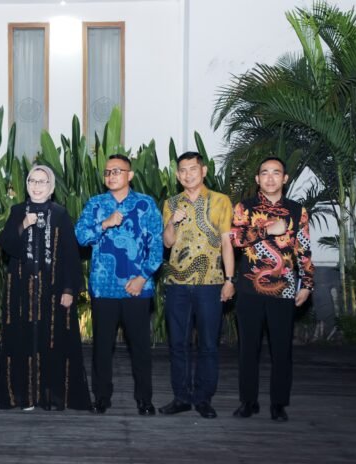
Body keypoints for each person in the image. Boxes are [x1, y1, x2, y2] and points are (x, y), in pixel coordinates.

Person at [0, 165, 92, 411]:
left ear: (51, 188)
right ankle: (24, 397)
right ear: (27, 185)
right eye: (32, 181)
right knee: (22, 341)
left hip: (53, 291)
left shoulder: (60, 214)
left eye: (42, 182)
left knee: (53, 340)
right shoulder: (18, 211)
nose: (37, 186)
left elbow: (70, 255)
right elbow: (6, 245)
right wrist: (23, 225)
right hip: (20, 292)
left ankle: (52, 397)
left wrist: (69, 289)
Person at [75, 154, 164, 415]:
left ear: (130, 175)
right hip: (104, 288)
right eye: (107, 172)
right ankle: (101, 397)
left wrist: (142, 277)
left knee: (140, 348)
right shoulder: (96, 203)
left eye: (117, 171)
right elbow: (80, 236)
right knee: (102, 347)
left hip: (138, 288)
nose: (111, 176)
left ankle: (144, 399)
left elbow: (157, 246)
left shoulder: (146, 204)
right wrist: (104, 223)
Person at [230, 156, 314, 422]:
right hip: (249, 289)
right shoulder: (245, 207)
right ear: (257, 179)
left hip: (284, 289)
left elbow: (303, 250)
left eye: (276, 173)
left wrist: (307, 284)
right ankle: (248, 401)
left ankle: (279, 404)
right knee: (248, 349)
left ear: (284, 178)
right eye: (264, 173)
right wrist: (267, 231)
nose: (270, 177)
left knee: (281, 350)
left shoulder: (297, 211)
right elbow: (236, 239)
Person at [159, 152, 235, 419]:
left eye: (193, 169)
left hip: (210, 283)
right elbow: (167, 243)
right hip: (177, 284)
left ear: (203, 171)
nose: (188, 174)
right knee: (177, 344)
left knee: (208, 344)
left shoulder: (220, 201)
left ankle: (203, 398)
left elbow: (226, 242)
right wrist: (172, 221)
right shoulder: (171, 203)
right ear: (177, 175)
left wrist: (229, 279)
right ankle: (181, 397)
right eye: (183, 170)